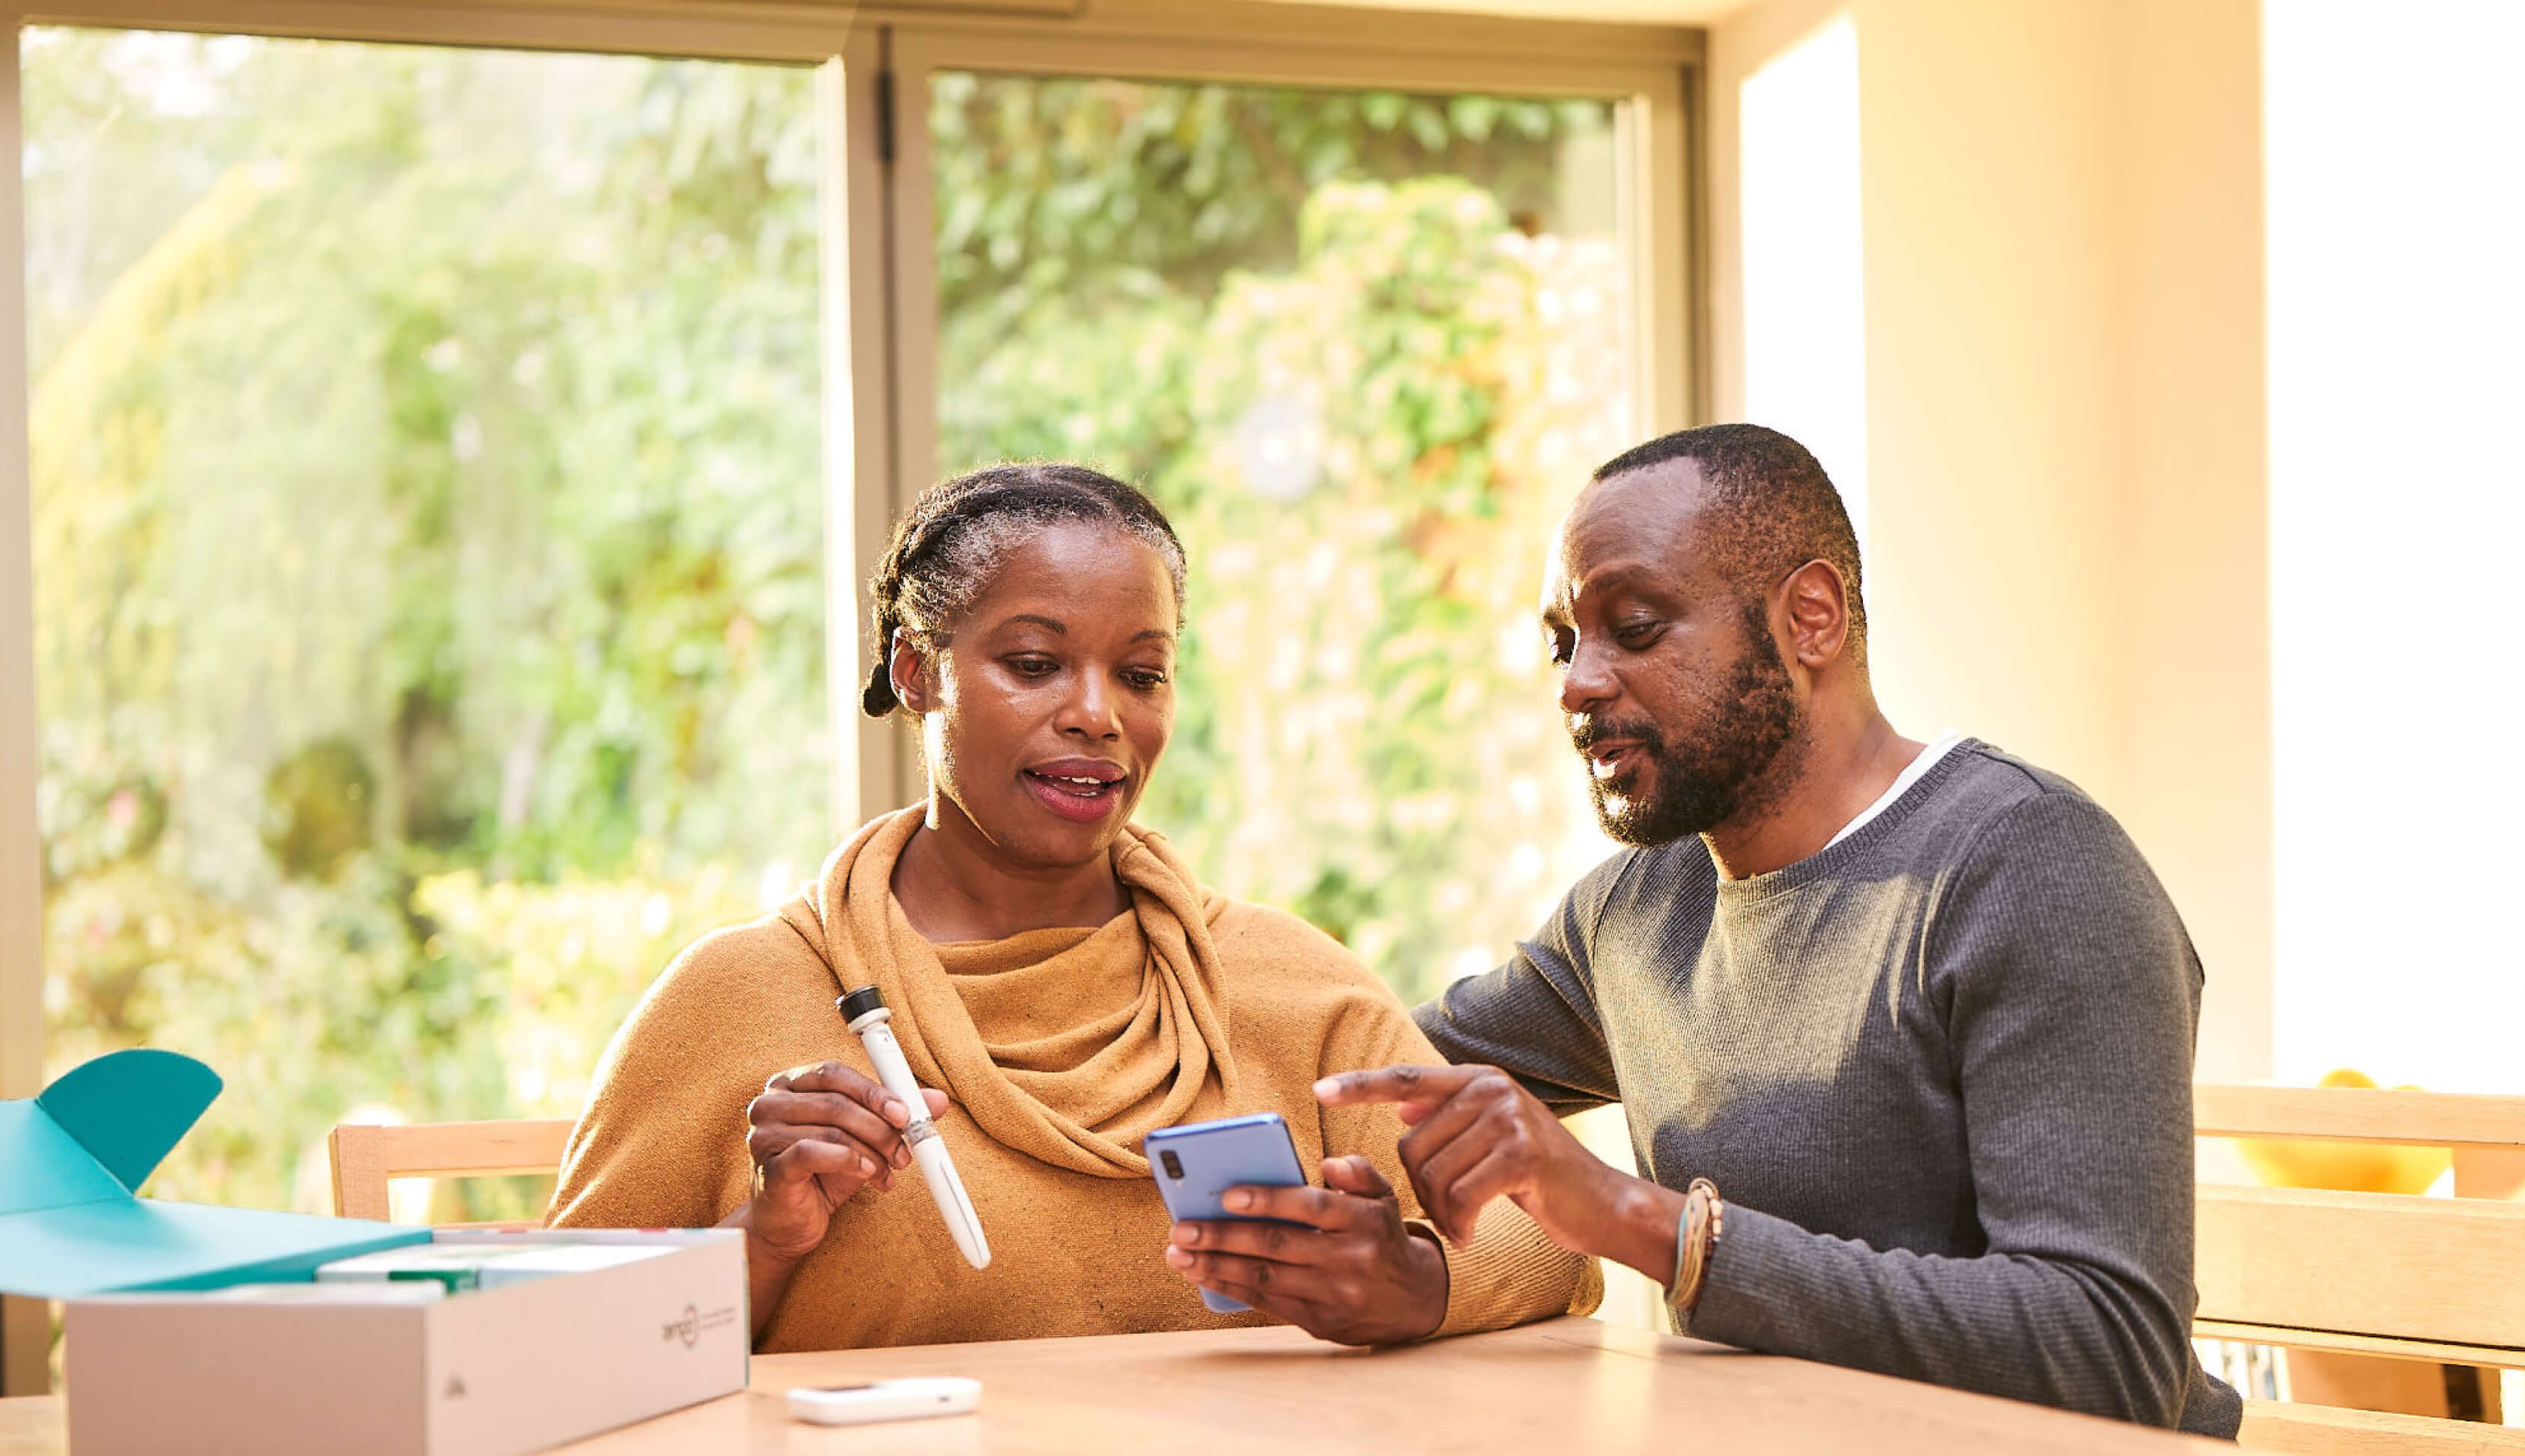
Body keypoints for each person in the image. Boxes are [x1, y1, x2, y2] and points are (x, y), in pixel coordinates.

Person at [1283, 423, 2241, 1435]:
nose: (1577, 683)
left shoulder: (2035, 868)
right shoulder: (1635, 911)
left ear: (1811, 619)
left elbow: (2109, 1351)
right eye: (1566, 642)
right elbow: (1375, 1071)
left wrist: (1648, 1223)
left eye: (1636, 627)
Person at [545, 462, 1594, 1352]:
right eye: (1035, 663)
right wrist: (762, 1239)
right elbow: (551, 1348)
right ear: (918, 672)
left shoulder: (1284, 983)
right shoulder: (741, 999)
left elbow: (1551, 1238)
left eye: (1142, 673)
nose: (1097, 715)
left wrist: (1412, 1281)